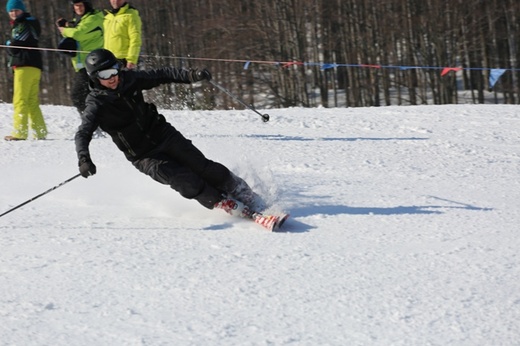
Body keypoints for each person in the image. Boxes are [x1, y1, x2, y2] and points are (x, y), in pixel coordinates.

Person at [75, 49, 264, 220]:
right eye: (105, 74)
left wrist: (191, 75)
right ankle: (225, 204)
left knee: (203, 167)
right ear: (94, 78)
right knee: (183, 179)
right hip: (143, 155)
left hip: (164, 134)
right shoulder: (96, 104)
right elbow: (83, 133)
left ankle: (243, 192)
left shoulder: (129, 80)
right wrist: (84, 159)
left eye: (114, 69)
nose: (112, 77)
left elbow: (161, 74)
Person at [4, 0, 47, 141]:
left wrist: (9, 43)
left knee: (20, 100)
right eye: (11, 11)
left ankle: (19, 132)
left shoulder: (24, 24)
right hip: (34, 66)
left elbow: (15, 45)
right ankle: (40, 132)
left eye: (16, 10)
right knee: (31, 101)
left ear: (22, 10)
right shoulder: (29, 22)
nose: (14, 14)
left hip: (25, 66)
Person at [56, 0, 104, 116]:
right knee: (90, 96)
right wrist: (66, 25)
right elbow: (76, 28)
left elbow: (78, 33)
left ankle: (92, 122)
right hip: (83, 64)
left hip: (93, 64)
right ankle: (94, 122)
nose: (78, 8)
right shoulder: (82, 19)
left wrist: (64, 30)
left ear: (87, 5)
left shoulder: (94, 18)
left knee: (77, 96)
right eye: (76, 5)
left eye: (80, 5)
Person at [103, 0, 142, 69]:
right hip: (108, 59)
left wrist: (131, 59)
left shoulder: (131, 15)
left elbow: (135, 39)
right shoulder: (108, 16)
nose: (115, 1)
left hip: (123, 60)